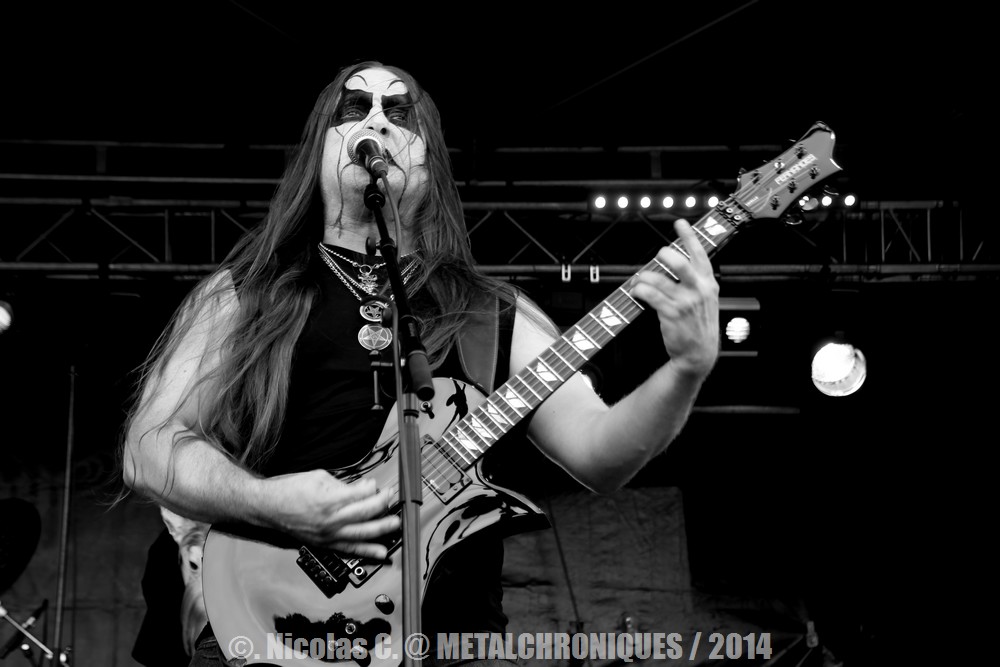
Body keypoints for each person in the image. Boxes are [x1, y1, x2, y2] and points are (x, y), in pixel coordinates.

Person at [120, 60, 720, 666]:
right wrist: (267, 501)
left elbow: (600, 455)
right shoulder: (242, 294)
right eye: (355, 108)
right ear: (319, 151)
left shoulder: (493, 312)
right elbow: (149, 448)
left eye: (399, 113)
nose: (377, 121)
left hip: (452, 640)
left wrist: (684, 370)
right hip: (265, 627)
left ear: (428, 162)